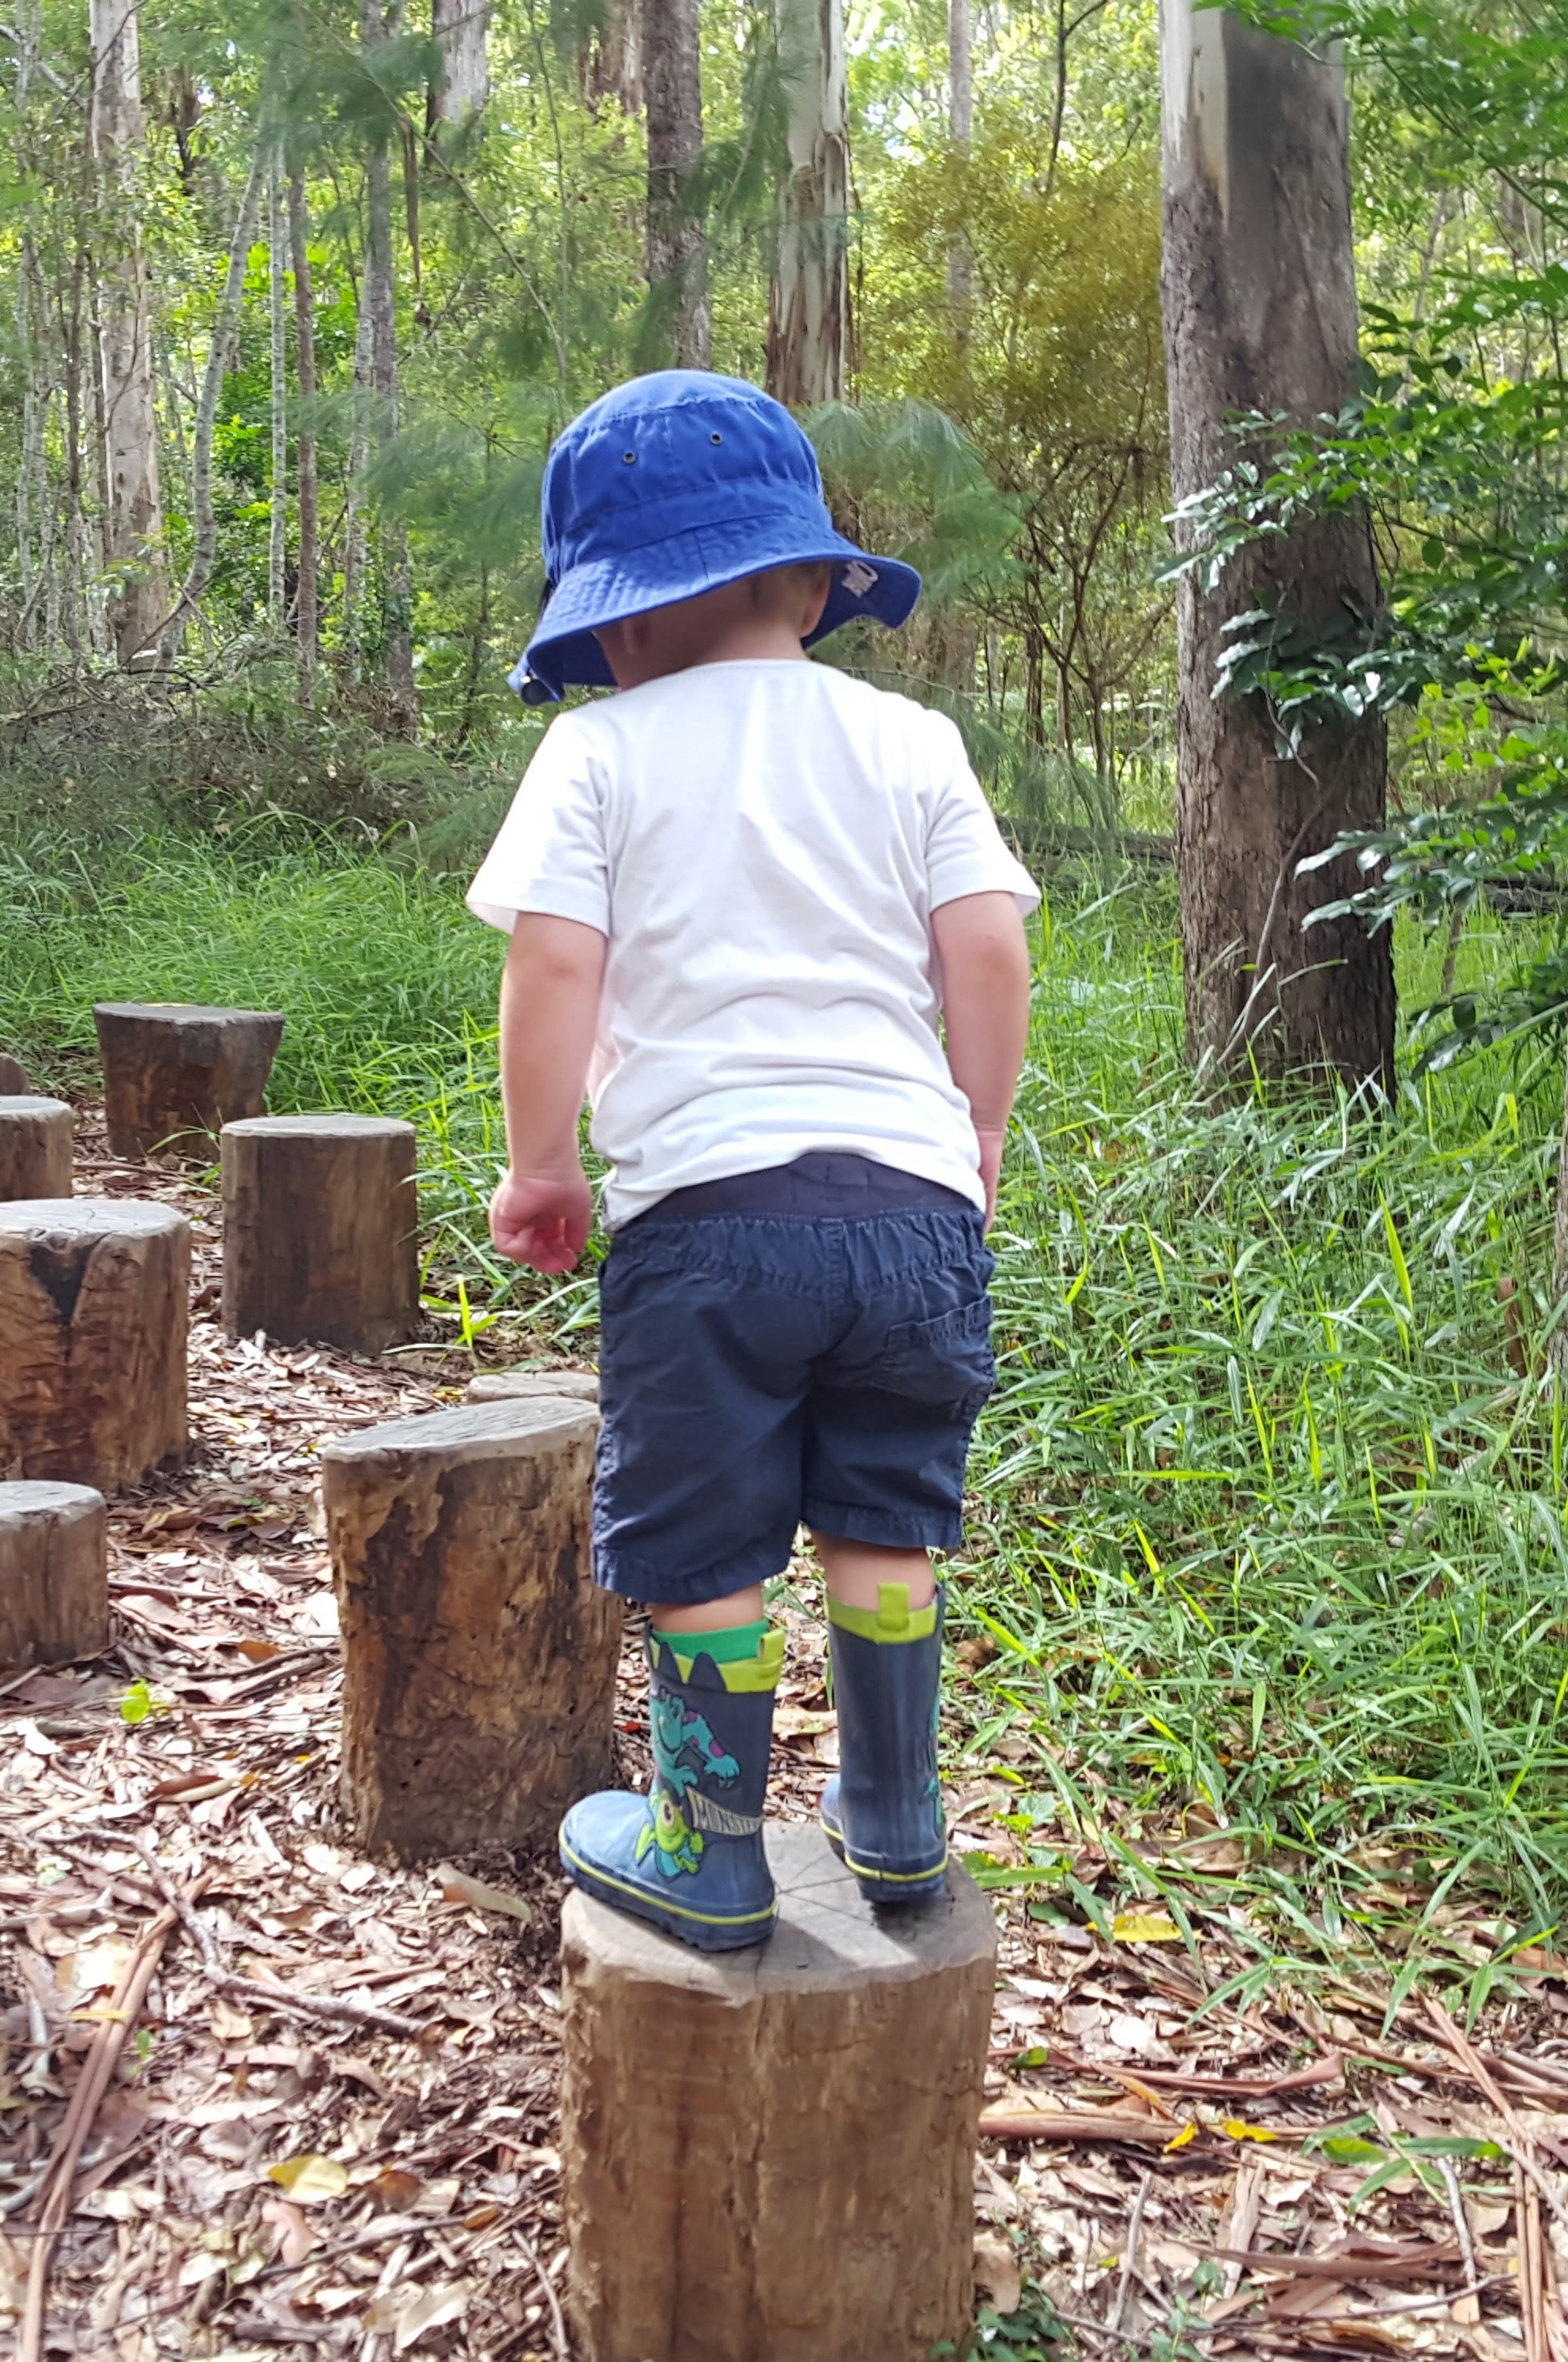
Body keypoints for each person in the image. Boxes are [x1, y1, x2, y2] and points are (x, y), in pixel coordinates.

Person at [466, 369, 1037, 1951]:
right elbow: (985, 947)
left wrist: (542, 1163)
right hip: (914, 1215)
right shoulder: (910, 740)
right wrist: (974, 1125)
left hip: (709, 1220)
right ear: (810, 583)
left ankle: (710, 1846)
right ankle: (898, 1821)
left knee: (706, 1534)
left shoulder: (599, 754)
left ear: (618, 625)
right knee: (885, 1507)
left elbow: (554, 969)